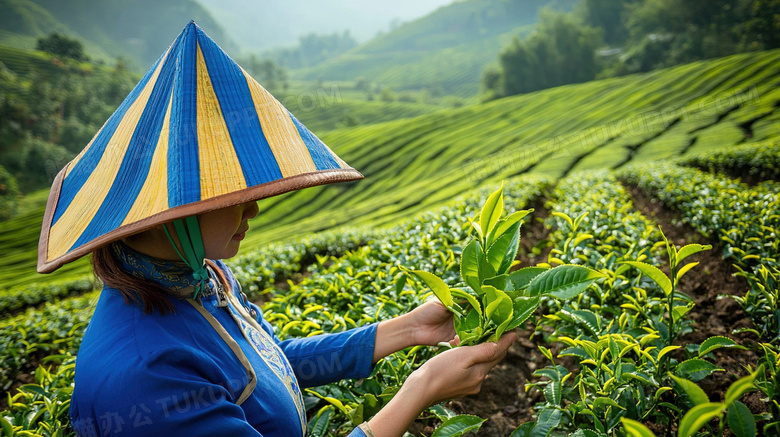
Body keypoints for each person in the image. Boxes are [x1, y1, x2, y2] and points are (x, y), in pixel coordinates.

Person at [37, 21, 517, 437]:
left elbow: (264, 365)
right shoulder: (147, 377)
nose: (254, 213)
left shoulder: (198, 276)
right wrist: (422, 388)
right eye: (238, 198)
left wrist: (410, 328)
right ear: (178, 210)